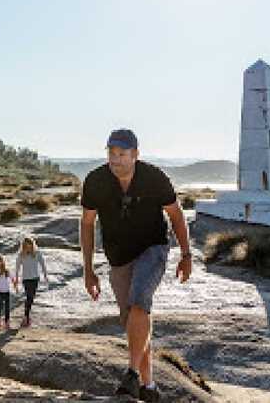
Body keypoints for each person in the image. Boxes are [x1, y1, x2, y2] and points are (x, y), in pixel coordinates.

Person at [80, 129, 192, 403]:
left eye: (121, 154)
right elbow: (86, 223)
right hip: (118, 257)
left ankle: (131, 373)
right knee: (132, 320)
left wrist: (186, 254)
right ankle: (149, 386)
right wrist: (88, 268)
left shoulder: (154, 178)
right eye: (111, 154)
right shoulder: (95, 181)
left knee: (140, 301)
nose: (115, 160)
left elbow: (176, 216)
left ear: (135, 155)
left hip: (152, 248)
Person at [13, 236, 48, 327]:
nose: (28, 247)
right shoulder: (21, 255)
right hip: (26, 279)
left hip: (35, 278)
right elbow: (17, 268)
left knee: (31, 298)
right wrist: (16, 279)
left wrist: (45, 275)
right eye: (26, 246)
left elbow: (43, 264)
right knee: (29, 296)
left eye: (30, 245)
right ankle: (26, 316)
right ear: (24, 246)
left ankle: (27, 316)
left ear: (32, 245)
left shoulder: (37, 253)